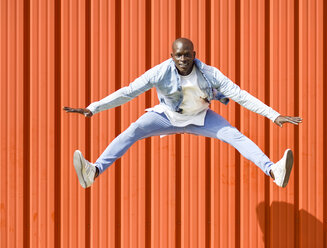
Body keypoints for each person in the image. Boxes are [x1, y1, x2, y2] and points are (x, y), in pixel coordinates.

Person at [64, 38, 302, 189]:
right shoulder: (159, 72)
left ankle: (273, 170)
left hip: (201, 118)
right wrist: (94, 107)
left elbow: (240, 95)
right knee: (133, 130)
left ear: (194, 54)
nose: (183, 59)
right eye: (178, 55)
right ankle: (93, 171)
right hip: (166, 116)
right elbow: (129, 92)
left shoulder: (209, 74)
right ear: (171, 56)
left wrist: (274, 115)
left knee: (235, 136)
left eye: (187, 55)